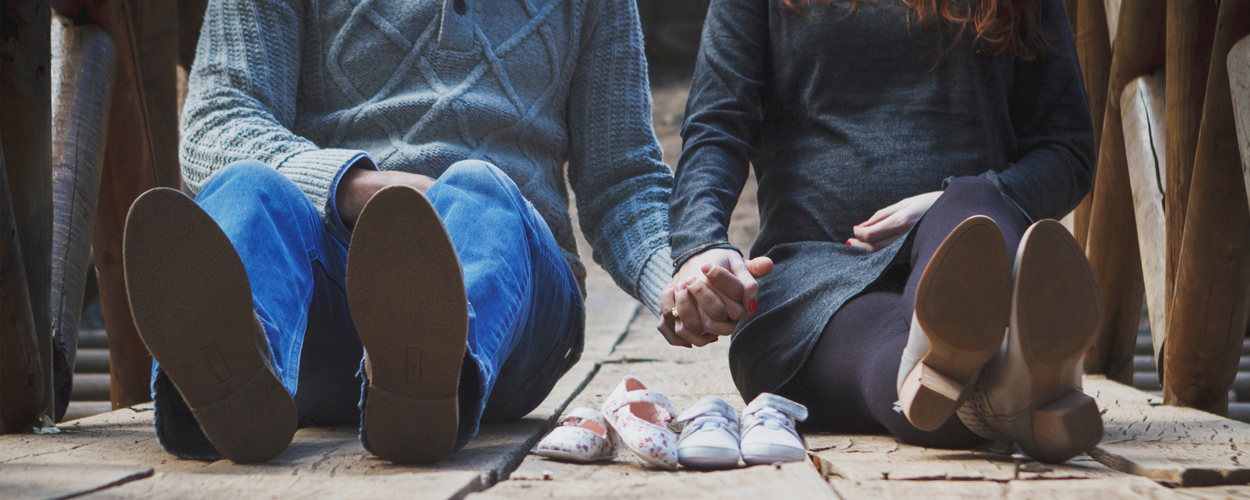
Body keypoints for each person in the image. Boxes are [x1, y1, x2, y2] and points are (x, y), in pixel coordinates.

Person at [122, 0, 673, 465]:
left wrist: (678, 278)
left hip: (518, 315)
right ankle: (236, 381)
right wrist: (354, 187)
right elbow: (220, 118)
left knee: (480, 188)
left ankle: (439, 380)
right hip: (324, 309)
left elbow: (622, 174)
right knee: (245, 187)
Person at [662, 0, 1102, 463]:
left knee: (972, 213)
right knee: (899, 355)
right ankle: (1014, 382)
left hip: (970, 242)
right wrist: (701, 246)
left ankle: (989, 387)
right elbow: (716, 127)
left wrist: (940, 206)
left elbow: (1065, 151)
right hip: (808, 281)